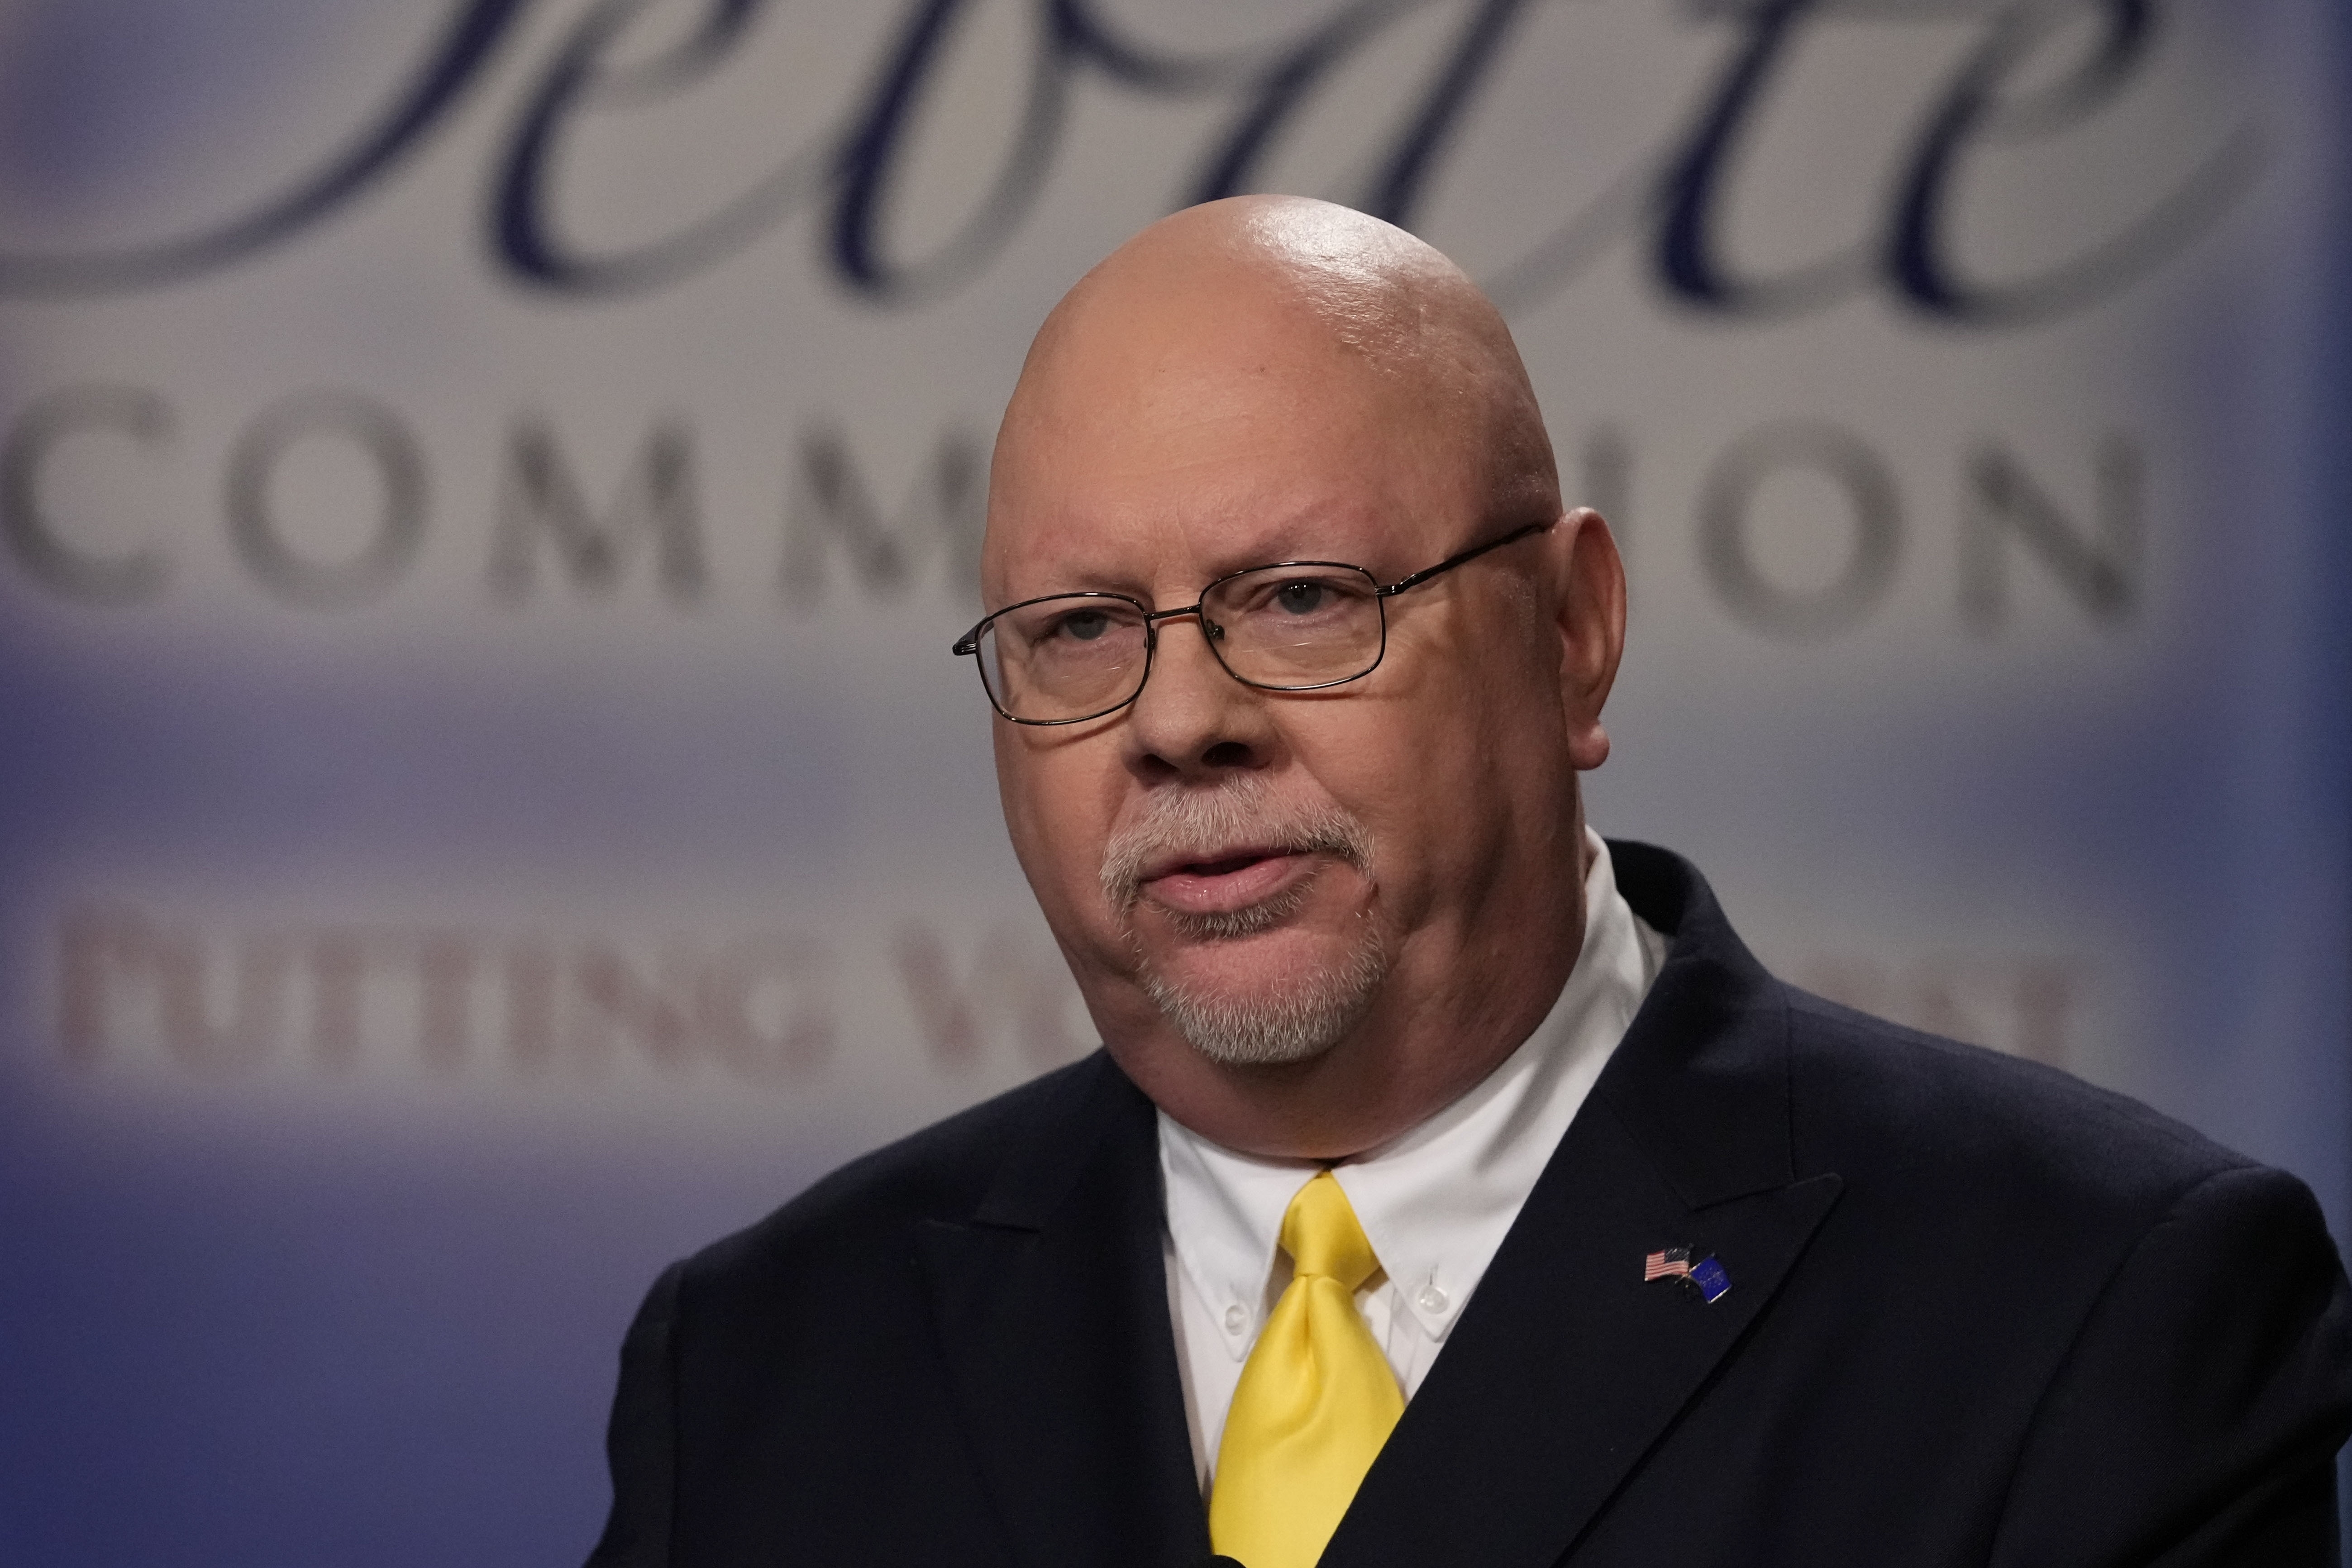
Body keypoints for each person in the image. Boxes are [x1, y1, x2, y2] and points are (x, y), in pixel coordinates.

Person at [585, 196, 2352, 1568]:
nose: (1182, 721)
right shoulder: (763, 1364)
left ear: (1573, 640)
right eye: (1078, 631)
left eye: (1299, 598)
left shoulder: (2088, 1309)